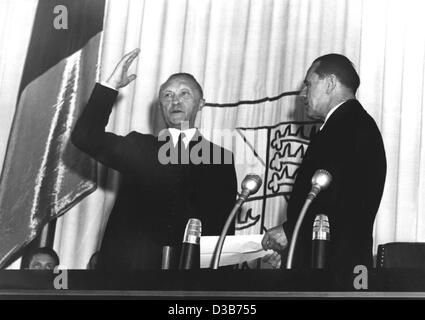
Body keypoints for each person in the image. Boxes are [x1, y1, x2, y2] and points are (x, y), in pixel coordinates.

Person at [72, 49, 237, 270]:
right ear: (161, 107)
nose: (175, 101)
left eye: (184, 93)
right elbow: (85, 136)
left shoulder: (221, 160)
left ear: (201, 104)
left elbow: (223, 230)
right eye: (167, 95)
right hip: (129, 281)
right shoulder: (139, 147)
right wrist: (109, 86)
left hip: (187, 284)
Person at [262, 54, 387, 270]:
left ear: (329, 83)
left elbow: (338, 200)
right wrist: (293, 247)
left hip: (332, 269)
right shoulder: (349, 124)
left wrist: (290, 233)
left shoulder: (347, 127)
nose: (303, 93)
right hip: (330, 262)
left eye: (308, 85)